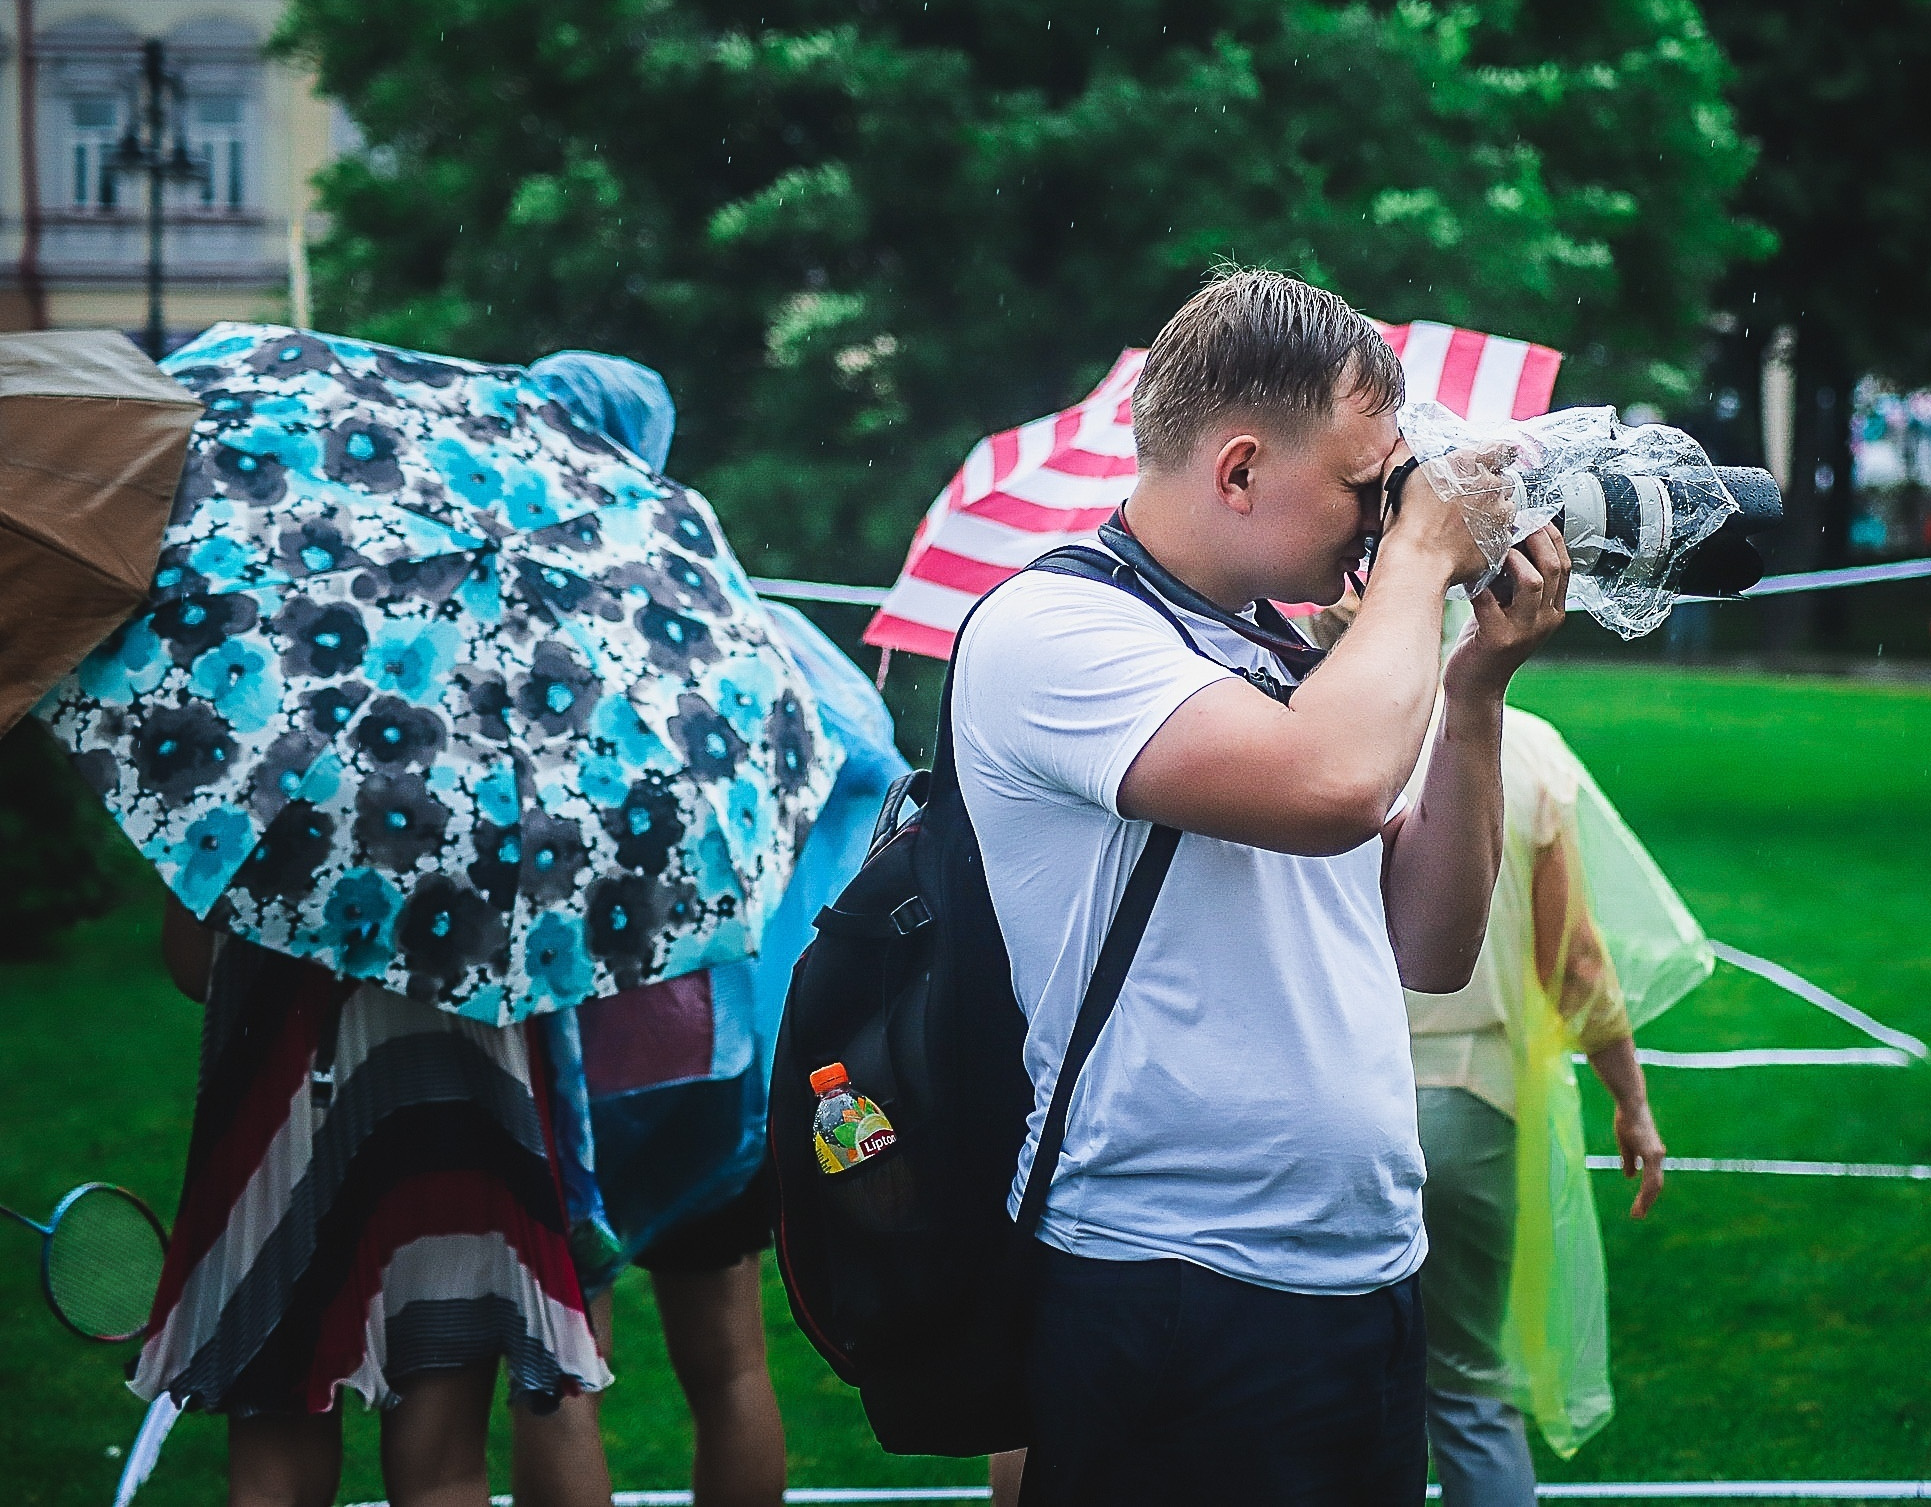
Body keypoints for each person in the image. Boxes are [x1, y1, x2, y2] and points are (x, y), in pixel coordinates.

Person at [953, 268, 1566, 1505]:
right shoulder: (1053, 631)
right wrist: (1417, 565)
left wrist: (1474, 689)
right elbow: (1330, 785)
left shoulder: (1277, 649)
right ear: (1236, 471)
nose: (1381, 520)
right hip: (1173, 1282)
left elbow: (1430, 942)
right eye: (1362, 485)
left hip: (1361, 1273)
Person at [507, 351, 909, 1507]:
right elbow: (866, 760)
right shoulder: (730, 616)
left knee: (560, 1376)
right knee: (729, 1364)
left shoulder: (503, 617)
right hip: (719, 1047)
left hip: (560, 1047)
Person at [144, 900, 612, 1507]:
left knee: (275, 1464)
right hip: (451, 1105)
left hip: (284, 1109)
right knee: (442, 1468)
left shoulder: (255, 802)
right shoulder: (509, 805)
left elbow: (192, 967)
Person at [1406, 703, 1686, 1504]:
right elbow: (1578, 962)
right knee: (1468, 1396)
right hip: (1469, 1101)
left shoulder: (1306, 717)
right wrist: (1632, 1098)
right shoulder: (1523, 744)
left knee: (1342, 1393)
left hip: (1331, 1103)